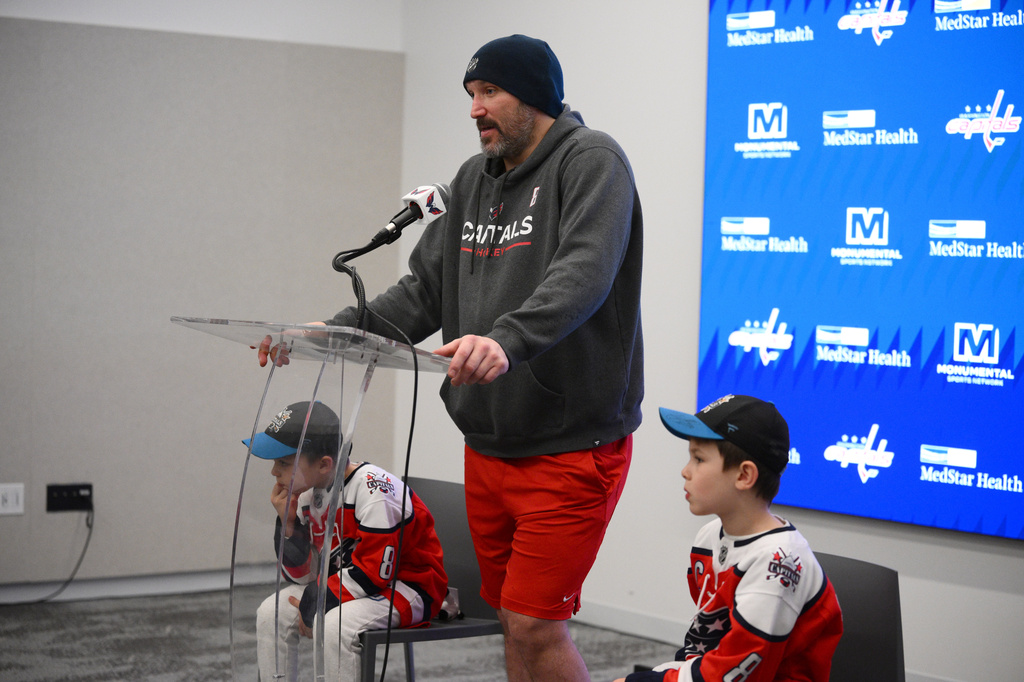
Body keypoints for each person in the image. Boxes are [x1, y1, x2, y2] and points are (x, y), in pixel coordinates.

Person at [259, 34, 643, 682]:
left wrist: (506, 339)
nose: (475, 108)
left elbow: (584, 272)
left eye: (489, 91)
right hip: (489, 443)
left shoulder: (591, 160)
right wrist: (335, 331)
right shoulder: (472, 182)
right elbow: (423, 293)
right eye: (470, 94)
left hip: (570, 445)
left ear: (535, 96)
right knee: (512, 625)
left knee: (535, 626)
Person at [615, 395, 842, 682]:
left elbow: (735, 671)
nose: (685, 471)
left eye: (698, 459)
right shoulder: (709, 536)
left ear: (744, 475)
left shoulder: (777, 565)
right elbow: (705, 645)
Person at [246, 401, 447, 682]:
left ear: (324, 464)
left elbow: (374, 572)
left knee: (336, 626)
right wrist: (288, 525)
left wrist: (316, 602)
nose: (274, 472)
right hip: (348, 586)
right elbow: (304, 577)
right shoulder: (306, 495)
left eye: (283, 462)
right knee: (270, 613)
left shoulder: (376, 490)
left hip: (408, 587)